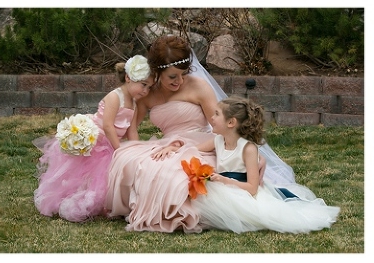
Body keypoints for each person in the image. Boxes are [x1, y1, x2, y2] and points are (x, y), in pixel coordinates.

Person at [104, 34, 298, 233]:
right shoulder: (148, 93)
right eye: (173, 76)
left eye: (183, 73)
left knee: (175, 173)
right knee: (136, 161)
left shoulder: (198, 86)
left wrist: (250, 151)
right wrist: (134, 147)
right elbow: (132, 127)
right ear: (157, 71)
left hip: (203, 142)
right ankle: (143, 204)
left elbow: (224, 127)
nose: (179, 81)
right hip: (168, 143)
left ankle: (173, 211)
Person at [178, 97, 338, 233]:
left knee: (244, 213)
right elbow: (193, 149)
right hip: (220, 186)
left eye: (217, 114)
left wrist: (223, 180)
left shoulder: (248, 148)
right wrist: (175, 146)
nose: (211, 118)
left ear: (231, 122)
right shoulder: (218, 140)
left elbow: (252, 188)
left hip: (241, 191)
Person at [33, 55, 153, 222]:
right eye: (143, 85)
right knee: (94, 176)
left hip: (114, 143)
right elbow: (108, 126)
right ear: (128, 78)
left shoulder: (133, 103)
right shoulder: (115, 97)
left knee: (116, 174)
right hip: (100, 141)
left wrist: (135, 149)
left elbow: (131, 129)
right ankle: (81, 199)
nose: (145, 91)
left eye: (149, 88)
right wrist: (119, 149)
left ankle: (111, 203)